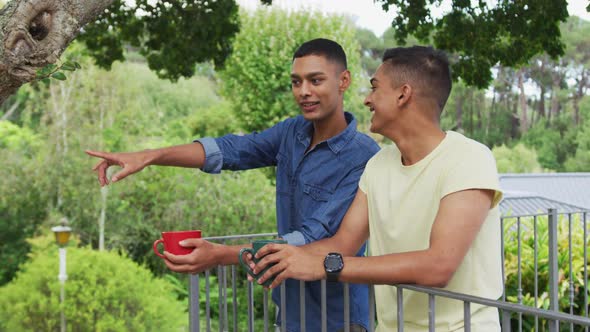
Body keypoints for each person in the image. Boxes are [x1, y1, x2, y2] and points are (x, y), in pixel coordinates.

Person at [86, 38, 380, 332]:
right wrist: (151, 156)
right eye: (296, 81)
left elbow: (313, 239)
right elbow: (230, 150)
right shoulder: (292, 133)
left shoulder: (363, 157)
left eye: (315, 80)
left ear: (343, 81)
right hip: (291, 311)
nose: (303, 91)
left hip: (339, 319)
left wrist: (221, 255)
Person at [251, 46, 504, 331]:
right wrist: (282, 257)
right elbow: (342, 244)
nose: (366, 99)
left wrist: (324, 266)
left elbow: (438, 266)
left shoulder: (469, 158)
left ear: (403, 94)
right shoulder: (378, 164)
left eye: (374, 88)